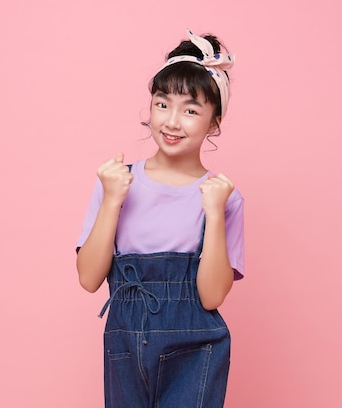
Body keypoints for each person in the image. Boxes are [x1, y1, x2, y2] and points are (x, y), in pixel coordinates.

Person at [76, 28, 245, 408]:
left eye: (190, 110)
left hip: (197, 348)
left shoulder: (224, 198)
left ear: (214, 122)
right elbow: (88, 278)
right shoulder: (115, 181)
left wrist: (214, 214)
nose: (172, 121)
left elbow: (212, 295)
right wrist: (112, 201)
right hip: (124, 344)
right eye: (162, 103)